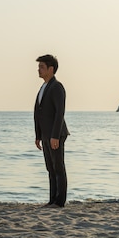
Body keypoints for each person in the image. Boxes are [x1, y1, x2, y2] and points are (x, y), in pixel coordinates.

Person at [34, 54, 69, 208]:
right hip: (46, 135)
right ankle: (52, 200)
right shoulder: (43, 87)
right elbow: (39, 113)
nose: (38, 69)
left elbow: (59, 113)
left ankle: (59, 201)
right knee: (50, 168)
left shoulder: (57, 87)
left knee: (58, 167)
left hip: (56, 134)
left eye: (42, 67)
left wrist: (55, 136)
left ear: (51, 69)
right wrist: (38, 135)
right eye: (39, 67)